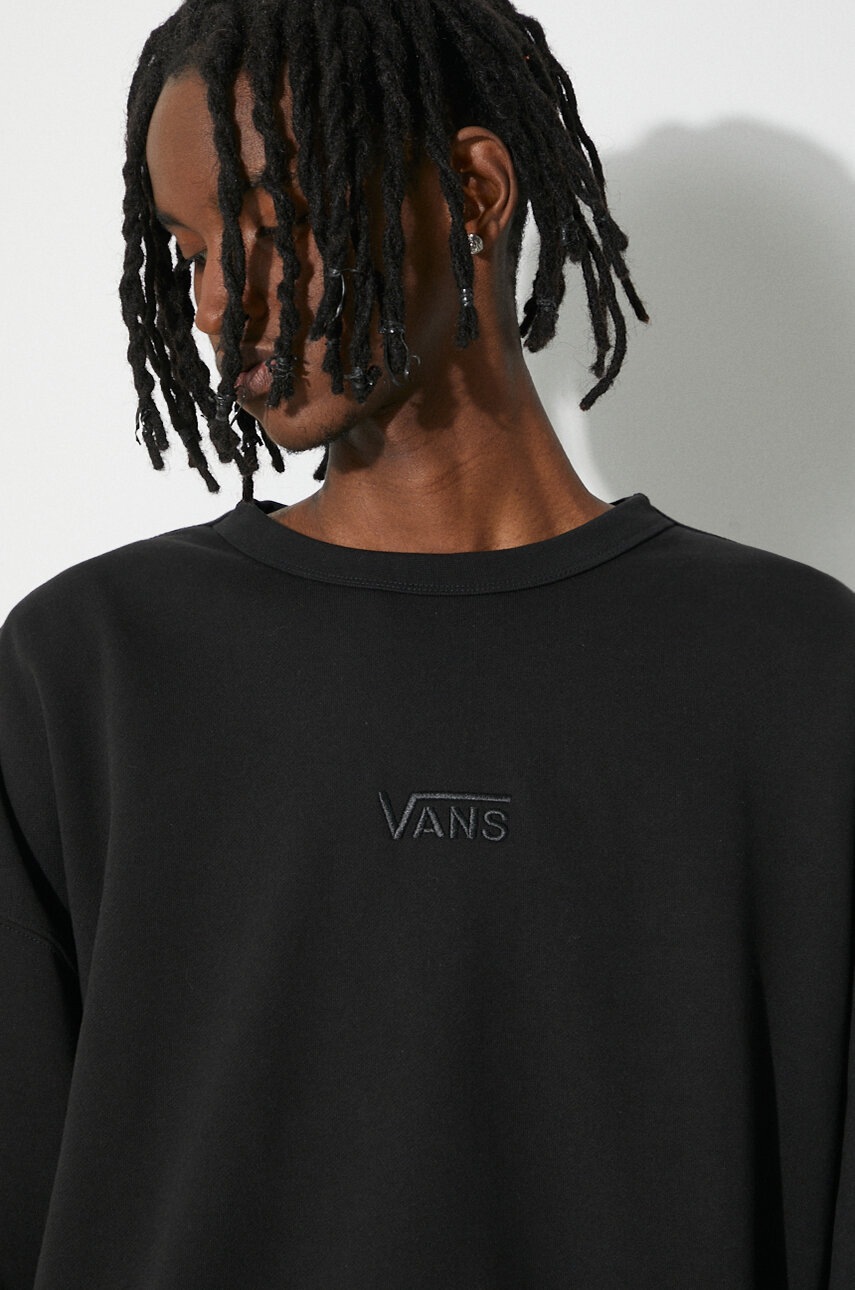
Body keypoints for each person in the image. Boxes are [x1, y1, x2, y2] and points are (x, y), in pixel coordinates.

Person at [1, 1, 852, 1287]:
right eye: (189, 253)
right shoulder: (90, 672)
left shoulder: (795, 676)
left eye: (266, 224)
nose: (218, 301)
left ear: (474, 191)